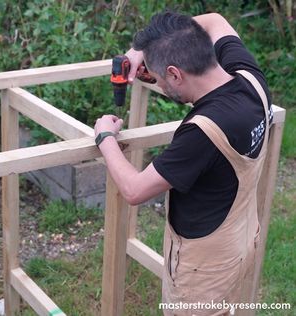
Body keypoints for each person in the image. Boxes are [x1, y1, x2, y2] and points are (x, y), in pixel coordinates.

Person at [94, 11, 272, 315]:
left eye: (161, 78)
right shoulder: (249, 78)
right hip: (240, 240)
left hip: (202, 270)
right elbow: (214, 20)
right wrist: (141, 50)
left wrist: (105, 137)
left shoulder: (202, 133)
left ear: (176, 73)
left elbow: (135, 190)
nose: (160, 85)